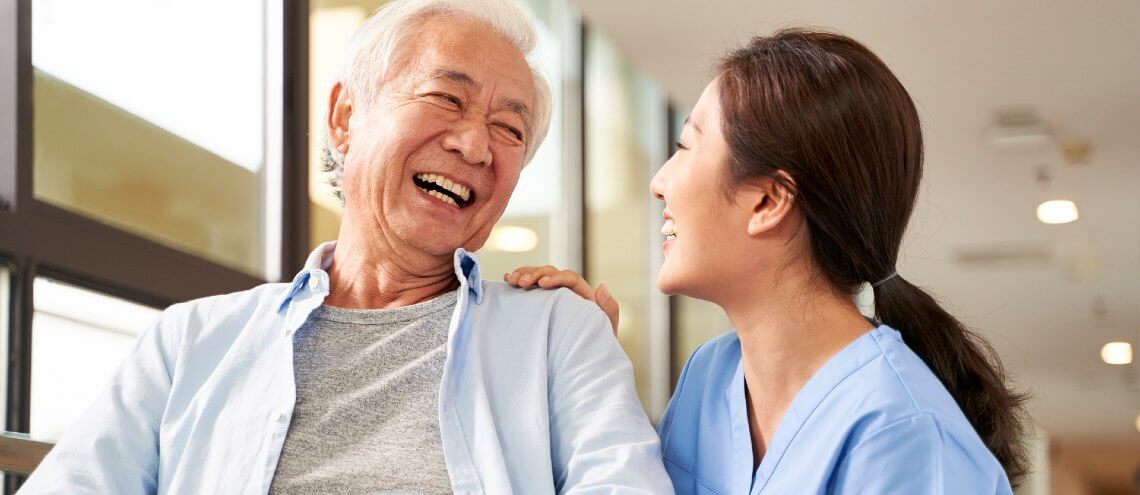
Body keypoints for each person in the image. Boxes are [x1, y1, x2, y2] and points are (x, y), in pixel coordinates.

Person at [21, 0, 672, 493]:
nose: (476, 146)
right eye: (448, 97)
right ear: (344, 117)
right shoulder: (188, 342)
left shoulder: (559, 331)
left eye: (508, 128)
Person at [509, 29, 1028, 494]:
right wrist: (593, 379)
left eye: (685, 147)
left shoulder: (908, 437)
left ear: (768, 202)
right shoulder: (711, 378)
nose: (659, 182)